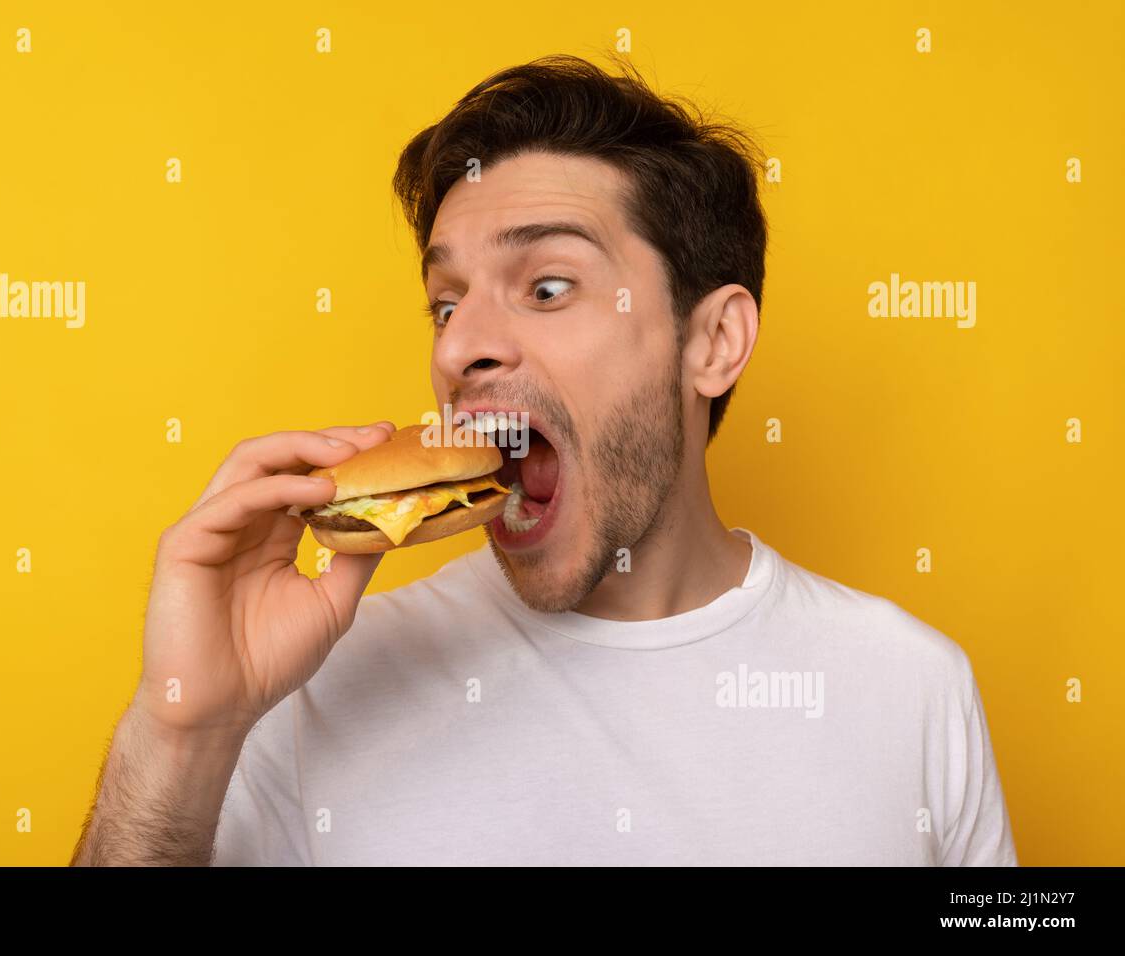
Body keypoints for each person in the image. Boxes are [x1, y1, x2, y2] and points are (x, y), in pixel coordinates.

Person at [72, 54, 1017, 866]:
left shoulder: (912, 688)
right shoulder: (313, 681)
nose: (458, 350)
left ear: (715, 341)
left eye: (548, 285)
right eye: (447, 304)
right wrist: (181, 732)